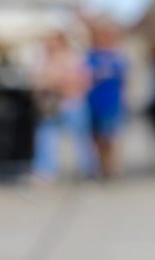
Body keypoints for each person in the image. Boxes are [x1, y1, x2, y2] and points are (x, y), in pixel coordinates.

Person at [31, 32, 99, 184]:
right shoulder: (44, 60)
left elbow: (83, 81)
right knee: (47, 138)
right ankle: (45, 171)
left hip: (73, 103)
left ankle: (89, 170)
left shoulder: (74, 58)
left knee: (81, 139)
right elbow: (39, 81)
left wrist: (61, 83)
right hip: (52, 105)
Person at [85, 18, 127, 178]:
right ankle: (100, 166)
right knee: (96, 137)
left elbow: (124, 81)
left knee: (110, 137)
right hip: (94, 101)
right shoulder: (89, 55)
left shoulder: (117, 56)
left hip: (112, 102)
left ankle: (111, 168)